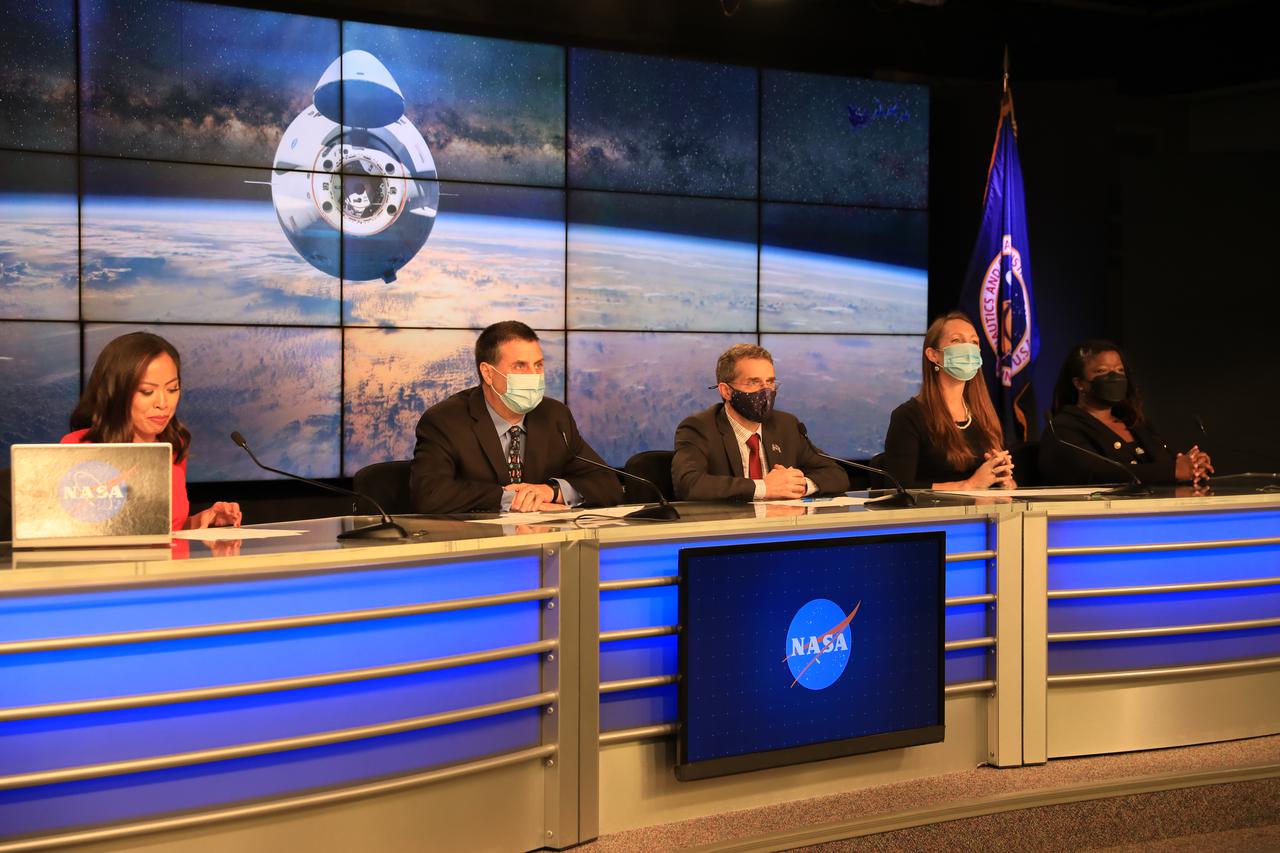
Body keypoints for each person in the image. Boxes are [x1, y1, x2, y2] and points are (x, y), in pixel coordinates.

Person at [410, 321, 624, 515]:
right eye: (520, 366)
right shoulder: (445, 421)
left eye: (538, 365)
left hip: (545, 546)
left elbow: (608, 485)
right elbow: (430, 495)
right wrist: (512, 499)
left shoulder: (554, 416)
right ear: (488, 373)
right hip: (479, 550)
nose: (533, 375)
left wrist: (552, 491)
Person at [62, 332, 242, 531]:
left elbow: (165, 530)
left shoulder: (174, 445)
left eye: (172, 389)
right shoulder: (79, 446)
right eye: (148, 392)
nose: (163, 404)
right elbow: (72, 531)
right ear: (117, 393)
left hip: (169, 563)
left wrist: (201, 521)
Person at [671, 343, 849, 501]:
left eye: (770, 382)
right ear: (726, 391)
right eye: (754, 382)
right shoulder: (700, 428)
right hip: (728, 532)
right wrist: (764, 488)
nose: (766, 391)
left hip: (781, 529)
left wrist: (798, 485)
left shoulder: (786, 425)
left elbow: (836, 474)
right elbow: (689, 484)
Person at [1038, 339, 1212, 486]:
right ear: (1079, 383)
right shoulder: (1063, 429)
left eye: (1120, 371)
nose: (1114, 377)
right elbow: (1096, 474)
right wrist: (1172, 470)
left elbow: (1164, 463)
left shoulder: (1133, 422)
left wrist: (1192, 465)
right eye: (1102, 371)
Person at [883, 311, 1016, 490]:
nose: (968, 348)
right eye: (957, 340)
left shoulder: (983, 414)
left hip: (985, 516)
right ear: (933, 355)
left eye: (974, 342)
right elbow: (897, 490)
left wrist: (1005, 481)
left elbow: (1007, 488)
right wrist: (969, 485)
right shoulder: (908, 417)